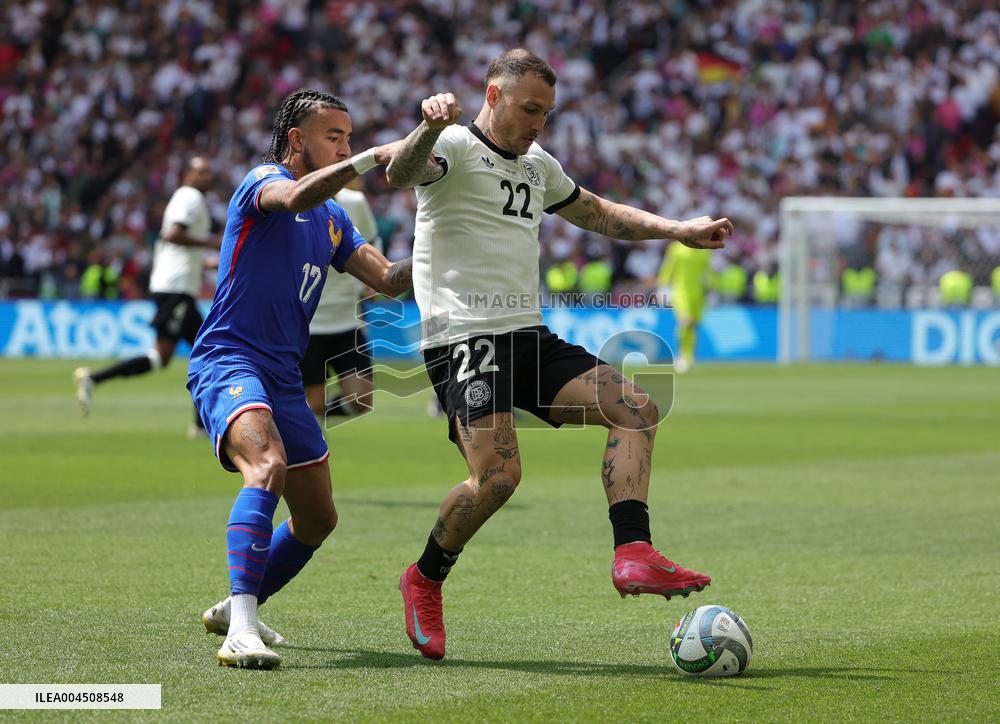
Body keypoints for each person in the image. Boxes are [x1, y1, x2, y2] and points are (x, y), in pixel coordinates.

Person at [385, 49, 733, 660]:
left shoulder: (538, 163)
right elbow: (399, 172)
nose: (539, 122)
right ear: (492, 97)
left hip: (527, 335)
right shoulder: (455, 150)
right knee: (498, 479)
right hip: (462, 338)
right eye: (529, 109)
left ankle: (633, 552)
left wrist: (676, 228)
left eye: (546, 111)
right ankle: (424, 579)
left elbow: (598, 213)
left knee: (637, 408)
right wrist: (429, 125)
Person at [189, 88, 411, 669]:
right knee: (267, 467)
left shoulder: (334, 221)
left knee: (318, 518)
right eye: (334, 137)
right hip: (229, 358)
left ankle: (236, 605)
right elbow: (293, 195)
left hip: (284, 374)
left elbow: (388, 279)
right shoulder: (261, 183)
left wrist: (447, 255)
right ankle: (241, 628)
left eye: (350, 137)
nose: (346, 145)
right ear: (297, 140)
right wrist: (366, 161)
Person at [74, 157, 217, 434]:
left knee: (183, 354)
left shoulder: (185, 198)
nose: (208, 176)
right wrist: (212, 243)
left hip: (175, 287)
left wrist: (206, 261)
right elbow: (173, 234)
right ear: (188, 173)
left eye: (209, 172)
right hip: (176, 289)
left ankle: (94, 379)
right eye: (202, 171)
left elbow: (176, 245)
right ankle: (200, 425)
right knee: (206, 352)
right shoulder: (190, 197)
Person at [299, 180, 380, 424]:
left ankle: (308, 420)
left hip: (347, 320)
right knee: (313, 404)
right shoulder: (295, 204)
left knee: (362, 399)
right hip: (308, 323)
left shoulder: (355, 202)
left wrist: (372, 278)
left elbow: (372, 242)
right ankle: (308, 429)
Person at [657, 241, 713, 374]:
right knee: (685, 321)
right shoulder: (677, 248)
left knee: (693, 326)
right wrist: (663, 287)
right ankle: (682, 356)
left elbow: (707, 271)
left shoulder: (705, 250)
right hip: (681, 292)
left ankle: (689, 356)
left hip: (698, 293)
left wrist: (711, 289)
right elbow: (669, 267)